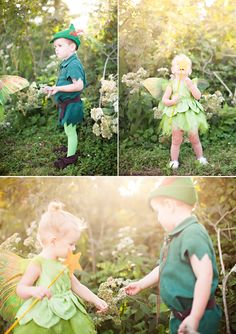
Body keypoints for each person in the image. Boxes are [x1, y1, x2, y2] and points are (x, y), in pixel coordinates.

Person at [125, 177, 221, 334]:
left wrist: (195, 318)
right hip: (179, 318)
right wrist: (141, 284)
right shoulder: (175, 236)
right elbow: (163, 268)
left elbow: (205, 275)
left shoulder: (192, 233)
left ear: (169, 205)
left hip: (198, 318)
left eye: (158, 212)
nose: (158, 218)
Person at [13, 201, 108, 334]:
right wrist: (33, 291)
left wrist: (96, 300)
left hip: (69, 315)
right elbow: (21, 288)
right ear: (53, 241)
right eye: (71, 244)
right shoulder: (38, 262)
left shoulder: (64, 263)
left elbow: (77, 286)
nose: (74, 248)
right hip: (46, 317)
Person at [43, 24, 86, 169]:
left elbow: (79, 85)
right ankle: (70, 149)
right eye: (55, 47)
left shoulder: (73, 64)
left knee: (71, 131)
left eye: (60, 45)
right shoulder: (67, 63)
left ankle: (71, 158)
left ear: (72, 47)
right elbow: (64, 83)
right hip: (67, 104)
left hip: (72, 105)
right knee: (69, 130)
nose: (56, 49)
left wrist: (58, 88)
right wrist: (54, 89)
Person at [159, 54, 209, 169]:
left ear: (189, 70)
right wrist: (172, 101)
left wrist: (191, 85)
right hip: (176, 113)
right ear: (173, 70)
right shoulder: (171, 84)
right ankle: (174, 160)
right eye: (178, 65)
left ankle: (200, 157)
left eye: (185, 65)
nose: (181, 67)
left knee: (194, 137)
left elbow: (197, 96)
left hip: (190, 113)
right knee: (176, 138)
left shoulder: (191, 82)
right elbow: (164, 100)